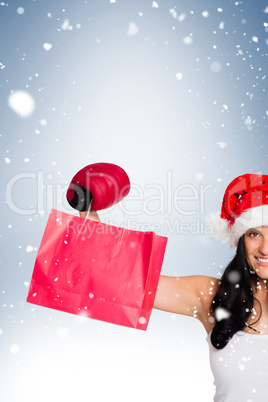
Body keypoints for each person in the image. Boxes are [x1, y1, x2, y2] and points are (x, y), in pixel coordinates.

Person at [82, 173, 268, 401]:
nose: (265, 249)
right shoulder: (214, 296)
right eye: (254, 234)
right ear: (241, 240)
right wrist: (86, 207)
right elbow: (123, 281)